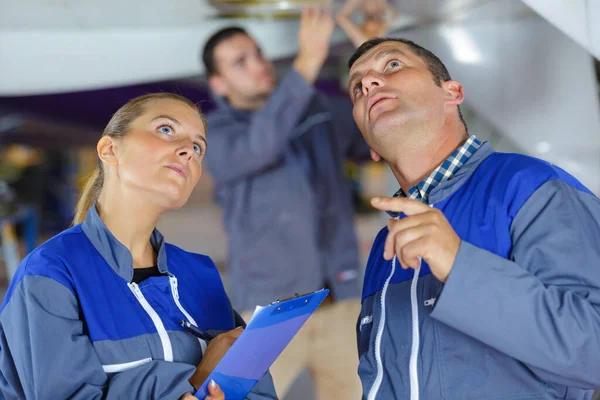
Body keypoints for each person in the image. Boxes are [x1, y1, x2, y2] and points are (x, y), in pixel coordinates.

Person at [346, 37, 600, 399]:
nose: (368, 83)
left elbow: (593, 352)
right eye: (357, 87)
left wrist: (462, 267)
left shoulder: (531, 187)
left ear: (452, 93)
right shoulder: (385, 246)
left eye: (392, 66)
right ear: (371, 145)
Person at [0, 93, 277, 400]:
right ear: (109, 149)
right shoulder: (50, 274)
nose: (188, 151)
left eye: (198, 147)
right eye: (166, 130)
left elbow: (257, 390)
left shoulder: (199, 274)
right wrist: (198, 379)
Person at [201, 7, 368, 399]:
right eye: (240, 62)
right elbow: (264, 144)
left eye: (258, 53)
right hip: (268, 312)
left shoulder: (315, 112)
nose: (259, 64)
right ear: (218, 84)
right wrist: (308, 61)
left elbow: (372, 126)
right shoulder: (219, 136)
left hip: (340, 302)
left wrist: (367, 46)